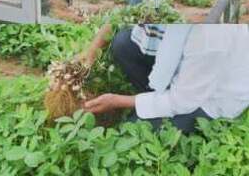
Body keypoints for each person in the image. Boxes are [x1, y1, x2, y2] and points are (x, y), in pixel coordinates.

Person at [81, 24, 249, 134]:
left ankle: (153, 107)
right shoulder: (159, 1)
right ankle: (153, 99)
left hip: (210, 98)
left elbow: (182, 101)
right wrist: (89, 53)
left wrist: (116, 101)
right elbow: (120, 17)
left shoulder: (210, 36)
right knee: (123, 42)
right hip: (188, 66)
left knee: (132, 130)